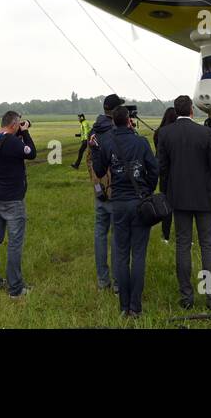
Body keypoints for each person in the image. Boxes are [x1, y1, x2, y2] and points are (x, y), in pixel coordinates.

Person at [156, 94, 211, 312]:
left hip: (179, 197)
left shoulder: (166, 133)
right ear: (192, 111)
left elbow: (162, 169)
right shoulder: (205, 132)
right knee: (208, 246)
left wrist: (165, 194)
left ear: (176, 112)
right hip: (205, 197)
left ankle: (186, 296)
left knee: (183, 245)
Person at [91, 104, 159, 317]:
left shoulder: (107, 143)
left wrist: (94, 150)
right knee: (138, 254)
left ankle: (123, 306)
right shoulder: (141, 142)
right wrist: (147, 188)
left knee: (121, 255)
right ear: (129, 120)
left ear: (113, 122)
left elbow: (101, 170)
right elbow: (154, 169)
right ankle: (135, 306)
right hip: (139, 202)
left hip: (118, 202)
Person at [0, 111, 36, 297]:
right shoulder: (13, 142)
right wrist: (26, 133)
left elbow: (8, 151)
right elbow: (31, 153)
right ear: (14, 124)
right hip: (13, 199)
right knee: (14, 243)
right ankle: (15, 288)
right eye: (19, 124)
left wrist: (18, 133)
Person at [86, 94, 123, 292]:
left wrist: (97, 186)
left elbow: (89, 161)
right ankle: (117, 283)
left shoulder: (93, 131)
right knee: (117, 237)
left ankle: (102, 281)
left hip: (98, 190)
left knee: (100, 234)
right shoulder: (116, 132)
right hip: (115, 191)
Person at [154, 107, 179, 243]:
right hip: (176, 173)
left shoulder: (159, 133)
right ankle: (181, 232)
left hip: (164, 174)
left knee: (166, 205)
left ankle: (166, 234)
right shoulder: (176, 133)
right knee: (180, 206)